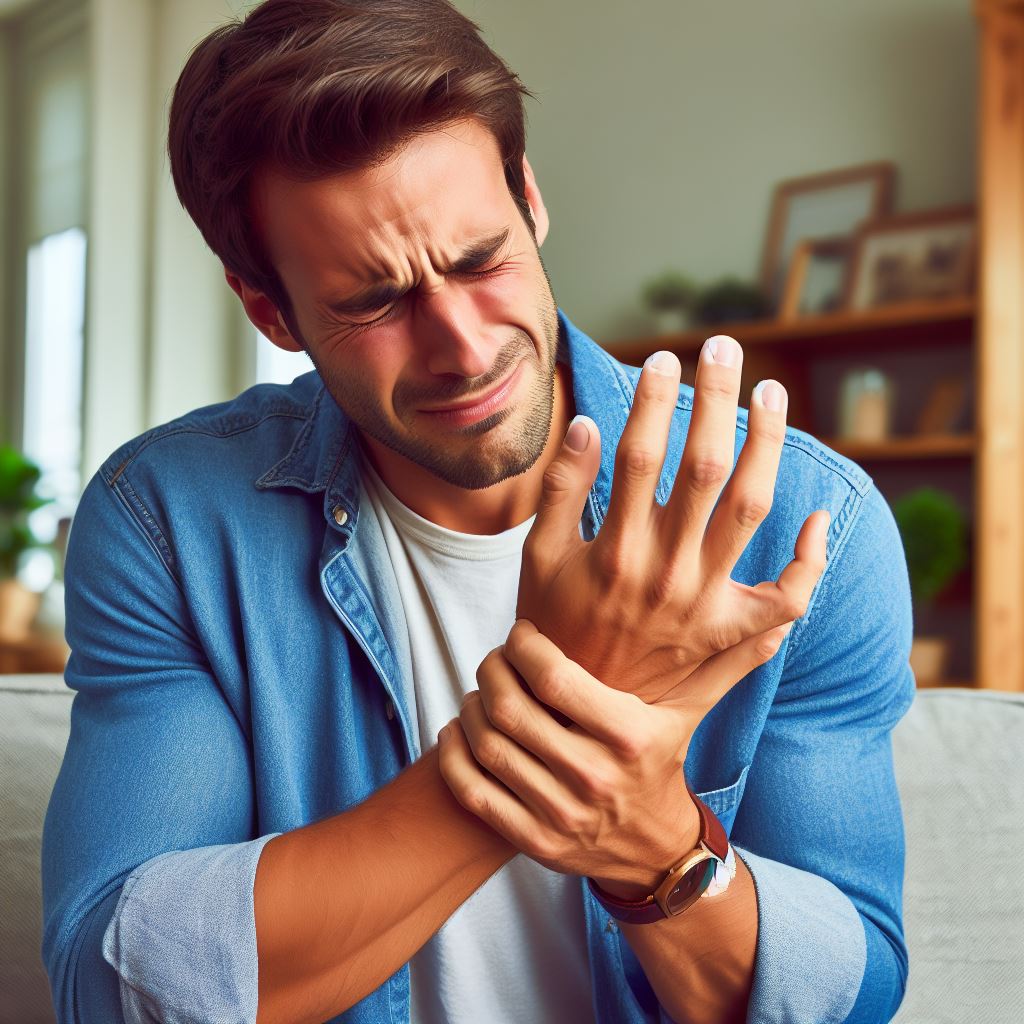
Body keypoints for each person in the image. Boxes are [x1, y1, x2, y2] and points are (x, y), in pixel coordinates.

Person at [40, 1, 916, 1022]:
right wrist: (551, 718)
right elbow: (112, 983)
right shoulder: (168, 524)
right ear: (269, 309)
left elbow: (850, 997)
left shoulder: (808, 520)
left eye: (478, 258)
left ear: (529, 199)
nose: (460, 345)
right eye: (372, 301)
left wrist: (654, 847)